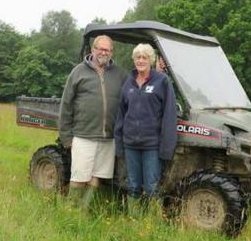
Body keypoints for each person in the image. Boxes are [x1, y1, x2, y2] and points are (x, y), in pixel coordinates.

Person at [59, 35, 127, 210]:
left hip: (108, 137)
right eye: (100, 48)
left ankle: (83, 209)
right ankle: (70, 210)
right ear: (93, 50)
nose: (104, 52)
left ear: (112, 52)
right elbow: (66, 105)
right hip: (84, 135)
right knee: (79, 176)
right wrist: (66, 137)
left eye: (108, 49)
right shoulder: (78, 72)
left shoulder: (120, 74)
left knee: (97, 176)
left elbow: (138, 85)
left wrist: (158, 70)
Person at [114, 43, 177, 214]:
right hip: (130, 145)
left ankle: (151, 224)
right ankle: (134, 220)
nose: (141, 60)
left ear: (151, 60)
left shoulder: (162, 81)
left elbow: (169, 116)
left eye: (144, 57)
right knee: (133, 185)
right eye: (137, 57)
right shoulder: (128, 83)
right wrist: (119, 143)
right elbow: (121, 114)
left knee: (151, 187)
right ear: (134, 60)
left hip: (152, 146)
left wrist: (166, 149)